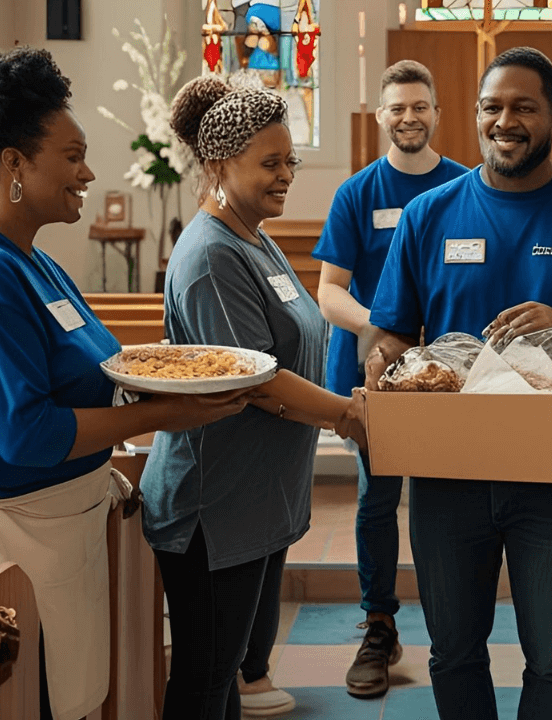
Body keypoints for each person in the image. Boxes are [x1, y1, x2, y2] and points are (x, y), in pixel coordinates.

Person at [0, 48, 253, 720]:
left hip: (44, 527)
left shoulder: (34, 263)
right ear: (14, 164)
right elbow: (27, 434)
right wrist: (162, 417)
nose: (87, 172)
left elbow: (96, 368)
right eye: (72, 154)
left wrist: (170, 377)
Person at [363, 47, 552, 720]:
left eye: (523, 107)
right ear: (476, 115)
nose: (505, 121)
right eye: (492, 107)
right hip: (447, 473)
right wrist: (383, 365)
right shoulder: (429, 216)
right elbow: (390, 331)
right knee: (453, 652)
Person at [141, 76, 366, 720]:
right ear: (218, 165)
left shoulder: (254, 234)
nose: (286, 175)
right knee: (205, 680)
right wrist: (348, 416)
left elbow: (291, 342)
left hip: (258, 496)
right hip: (215, 506)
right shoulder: (212, 254)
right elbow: (255, 379)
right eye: (270, 163)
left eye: (288, 159)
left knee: (225, 677)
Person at [312, 59, 469, 699]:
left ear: (436, 113)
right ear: (381, 116)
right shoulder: (357, 193)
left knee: (449, 502)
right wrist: (388, 330)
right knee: (378, 500)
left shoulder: (466, 186)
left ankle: (456, 630)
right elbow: (328, 293)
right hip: (375, 376)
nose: (409, 117)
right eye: (397, 107)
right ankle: (380, 626)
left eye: (420, 106)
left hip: (449, 379)